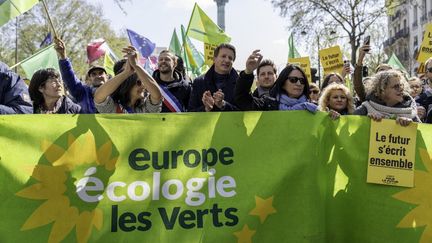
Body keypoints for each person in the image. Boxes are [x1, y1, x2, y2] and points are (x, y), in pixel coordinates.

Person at [235, 50, 317, 113]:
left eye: (302, 81)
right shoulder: (268, 104)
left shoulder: (314, 107)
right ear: (283, 83)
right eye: (293, 80)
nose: (298, 84)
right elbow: (243, 99)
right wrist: (248, 72)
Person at [94, 46, 162, 113]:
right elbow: (98, 96)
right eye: (138, 83)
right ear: (126, 85)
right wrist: (126, 72)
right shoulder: (112, 107)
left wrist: (136, 65)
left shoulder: (145, 108)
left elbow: (157, 95)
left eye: (143, 82)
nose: (143, 86)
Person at [55, 37, 108, 113]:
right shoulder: (83, 92)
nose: (98, 76)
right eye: (94, 74)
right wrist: (63, 56)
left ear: (107, 76)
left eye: (101, 73)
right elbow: (70, 78)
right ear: (89, 78)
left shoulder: (115, 92)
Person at [354, 70, 420, 126]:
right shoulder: (366, 109)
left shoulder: (409, 112)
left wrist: (411, 125)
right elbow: (349, 129)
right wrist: (366, 121)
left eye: (401, 85)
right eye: (396, 86)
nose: (401, 89)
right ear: (381, 90)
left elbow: (424, 136)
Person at [188, 43, 238, 112]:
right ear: (214, 59)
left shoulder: (240, 84)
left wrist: (224, 105)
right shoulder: (199, 82)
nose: (227, 60)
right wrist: (206, 108)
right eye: (223, 56)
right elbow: (190, 113)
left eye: (230, 58)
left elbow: (246, 112)